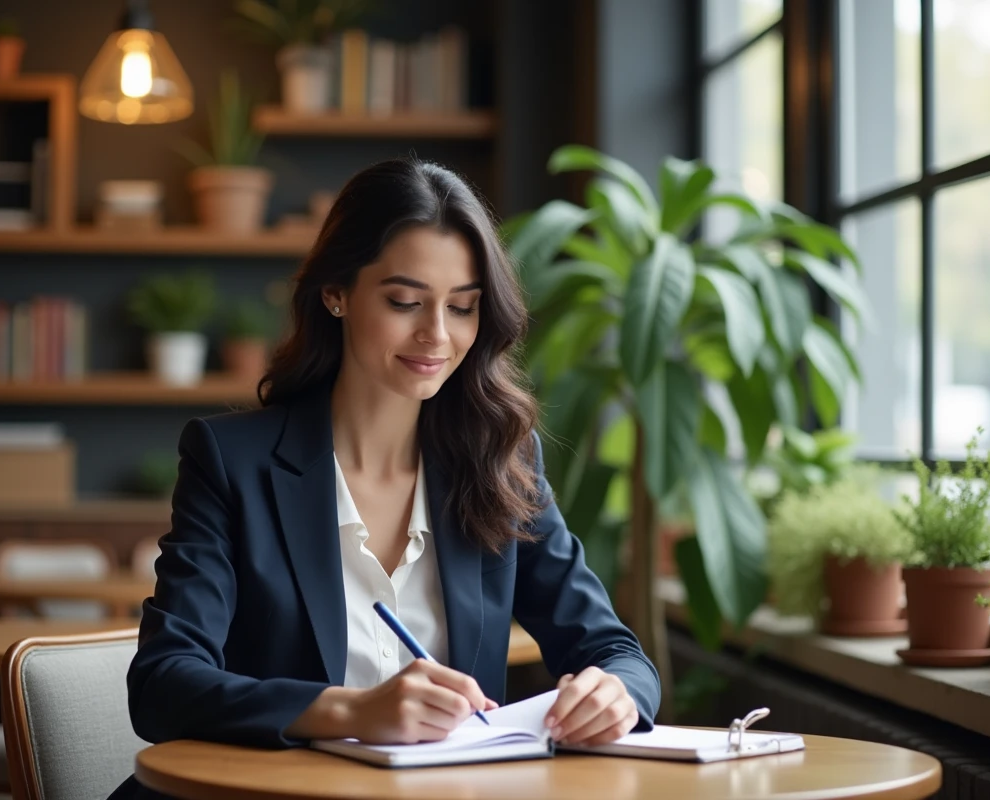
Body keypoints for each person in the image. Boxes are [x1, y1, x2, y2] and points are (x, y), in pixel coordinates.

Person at [108, 158, 660, 799]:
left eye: (463, 307)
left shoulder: (501, 461)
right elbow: (163, 683)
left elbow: (615, 651)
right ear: (336, 292)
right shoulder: (232, 462)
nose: (437, 335)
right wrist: (349, 711)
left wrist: (616, 693)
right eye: (405, 301)